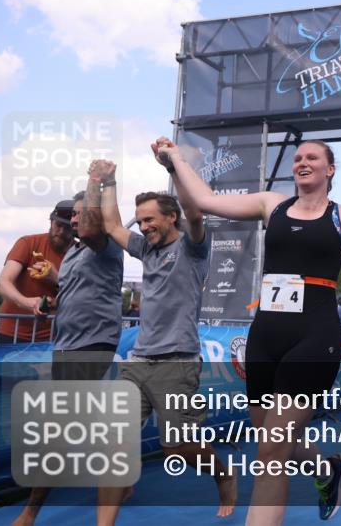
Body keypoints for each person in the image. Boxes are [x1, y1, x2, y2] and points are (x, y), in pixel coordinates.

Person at [152, 136, 341, 525]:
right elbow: (203, 200)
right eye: (298, 157)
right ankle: (325, 469)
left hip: (314, 337)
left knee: (270, 451)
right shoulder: (272, 204)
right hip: (266, 336)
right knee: (271, 440)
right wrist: (173, 161)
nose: (302, 162)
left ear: (329, 170)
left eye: (312, 157)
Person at [91, 158, 236, 524]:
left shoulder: (193, 248)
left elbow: (196, 212)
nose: (143, 227)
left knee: (177, 447)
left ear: (172, 217)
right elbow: (109, 224)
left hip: (178, 361)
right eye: (140, 221)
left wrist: (173, 166)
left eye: (150, 219)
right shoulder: (145, 250)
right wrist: (109, 181)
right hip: (138, 362)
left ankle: (223, 473)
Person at [11, 185, 125, 526]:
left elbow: (92, 228)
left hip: (92, 346)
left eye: (77, 213)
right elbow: (73, 293)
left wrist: (98, 181)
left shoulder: (102, 244)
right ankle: (124, 479)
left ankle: (29, 513)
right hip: (67, 346)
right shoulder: (74, 253)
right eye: (71, 215)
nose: (72, 219)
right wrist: (49, 292)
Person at [0, 200, 75, 343]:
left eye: (67, 228)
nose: (61, 232)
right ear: (51, 222)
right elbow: (2, 283)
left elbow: (84, 294)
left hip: (52, 338)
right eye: (58, 225)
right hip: (11, 332)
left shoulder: (80, 253)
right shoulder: (28, 243)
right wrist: (27, 302)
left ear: (75, 227)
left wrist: (56, 278)